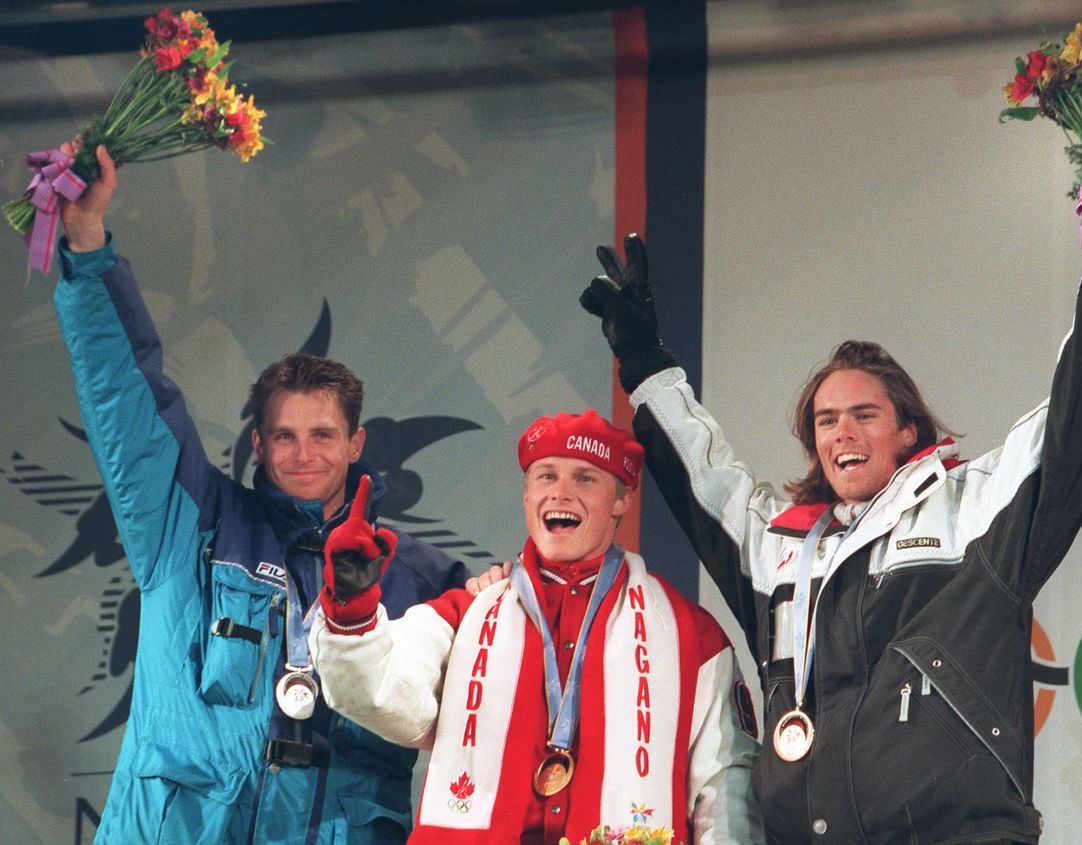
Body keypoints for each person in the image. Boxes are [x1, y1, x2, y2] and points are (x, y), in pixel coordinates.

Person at [578, 154, 1082, 844]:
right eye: (826, 421)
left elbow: (1078, 418)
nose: (843, 433)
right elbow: (706, 482)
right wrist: (645, 362)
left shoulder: (974, 510)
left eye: (865, 415)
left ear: (907, 430)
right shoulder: (780, 547)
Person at [54, 143, 468, 844]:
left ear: (356, 444)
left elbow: (494, 714)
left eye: (323, 435)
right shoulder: (191, 523)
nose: (303, 454)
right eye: (284, 436)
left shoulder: (420, 576)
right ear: (258, 444)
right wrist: (88, 247)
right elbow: (128, 401)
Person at [310, 409, 763, 844]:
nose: (560, 493)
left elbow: (727, 786)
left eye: (585, 478)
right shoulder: (467, 613)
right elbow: (377, 694)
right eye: (546, 476)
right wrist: (351, 606)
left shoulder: (690, 636)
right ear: (527, 496)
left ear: (622, 499)